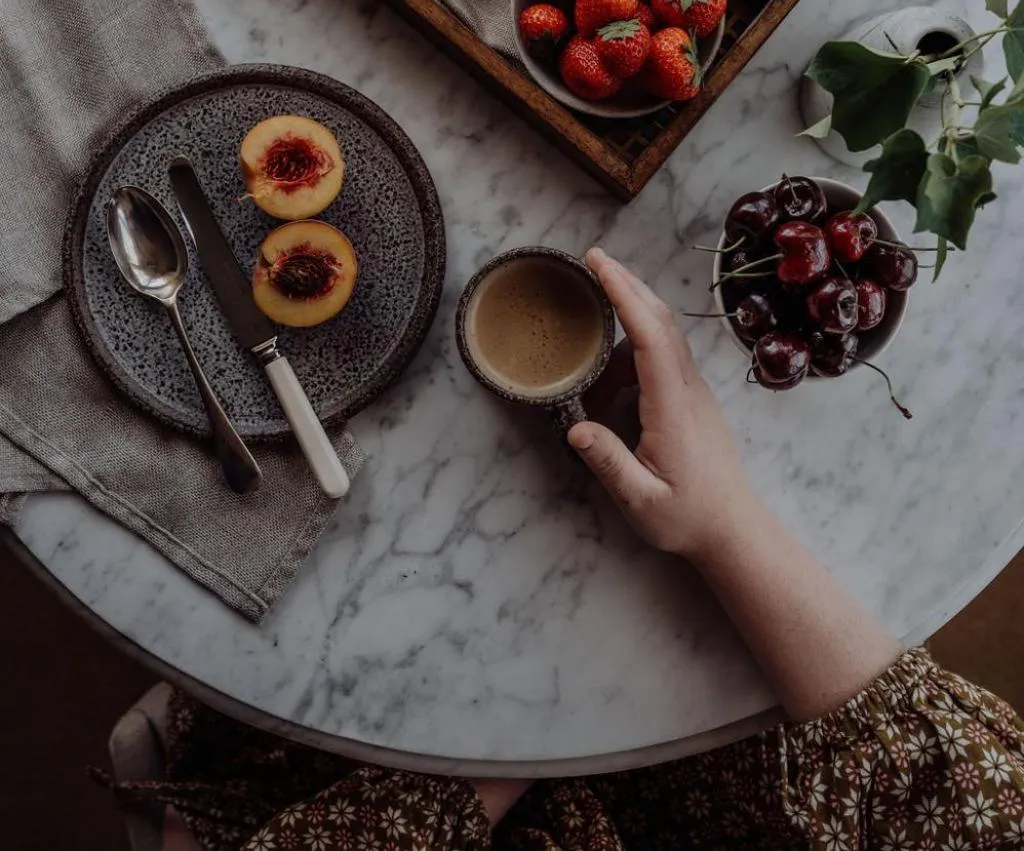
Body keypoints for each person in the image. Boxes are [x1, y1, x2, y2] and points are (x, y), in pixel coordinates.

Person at [137, 250, 1024, 850]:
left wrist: (519, 747)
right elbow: (941, 780)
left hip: (363, 755)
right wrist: (722, 522)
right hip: (699, 712)